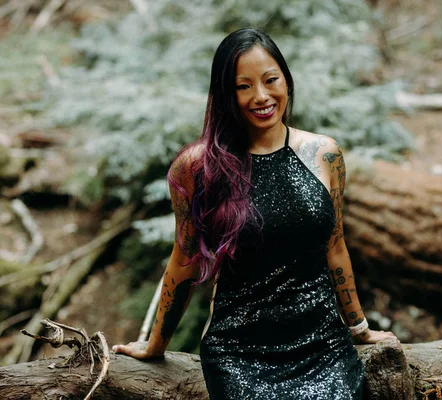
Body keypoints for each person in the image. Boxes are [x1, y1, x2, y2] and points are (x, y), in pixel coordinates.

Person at [112, 28, 396, 399]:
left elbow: (335, 246)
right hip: (239, 353)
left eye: (270, 80)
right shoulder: (198, 167)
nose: (261, 96)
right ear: (225, 95)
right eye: (243, 86)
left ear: (287, 81)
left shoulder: (324, 154)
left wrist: (359, 327)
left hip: (323, 345)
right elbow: (184, 260)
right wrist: (155, 345)